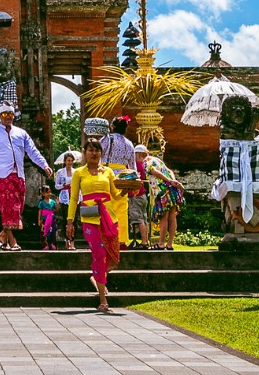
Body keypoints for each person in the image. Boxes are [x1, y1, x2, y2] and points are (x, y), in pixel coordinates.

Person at [65, 137, 129, 312]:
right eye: (91, 150)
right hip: (89, 217)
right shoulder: (79, 173)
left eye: (97, 150)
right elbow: (73, 198)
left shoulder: (108, 172)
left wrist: (127, 189)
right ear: (85, 153)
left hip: (109, 217)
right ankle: (103, 299)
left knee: (114, 259)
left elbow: (116, 194)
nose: (94, 153)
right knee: (99, 255)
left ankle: (97, 276)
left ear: (101, 153)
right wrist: (70, 222)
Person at [0, 103, 49, 251]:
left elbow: (32, 151)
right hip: (3, 176)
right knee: (8, 208)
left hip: (19, 175)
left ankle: (3, 236)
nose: (8, 117)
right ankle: (13, 241)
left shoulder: (21, 133)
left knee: (18, 208)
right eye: (5, 114)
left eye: (10, 114)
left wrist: (44, 165)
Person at [104, 117, 149, 247]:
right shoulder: (129, 144)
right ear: (126, 129)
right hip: (123, 179)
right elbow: (133, 167)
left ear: (112, 127)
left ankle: (107, 237)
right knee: (121, 211)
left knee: (106, 208)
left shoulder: (106, 140)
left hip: (106, 176)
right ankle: (122, 240)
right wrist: (135, 185)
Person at [143, 148, 185, 249]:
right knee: (172, 217)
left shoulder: (146, 161)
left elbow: (155, 172)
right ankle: (169, 244)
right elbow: (169, 171)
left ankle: (161, 244)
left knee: (164, 217)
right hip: (172, 189)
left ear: (138, 155)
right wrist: (173, 180)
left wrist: (169, 181)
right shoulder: (157, 160)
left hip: (162, 190)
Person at [52, 152, 77, 248]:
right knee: (65, 219)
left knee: (74, 219)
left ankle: (72, 241)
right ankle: (67, 240)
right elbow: (56, 186)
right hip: (64, 197)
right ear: (65, 161)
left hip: (74, 196)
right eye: (68, 160)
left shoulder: (76, 172)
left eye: (71, 160)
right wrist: (63, 185)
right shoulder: (60, 172)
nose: (70, 162)